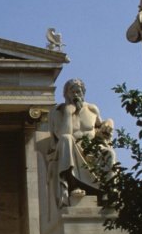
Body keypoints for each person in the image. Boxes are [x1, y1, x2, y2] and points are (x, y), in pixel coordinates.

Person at [47, 78, 117, 208]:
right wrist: (68, 113)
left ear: (83, 93)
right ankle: (74, 185)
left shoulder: (92, 109)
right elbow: (62, 134)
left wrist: (109, 122)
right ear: (65, 94)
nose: (75, 95)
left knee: (109, 153)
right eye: (72, 92)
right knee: (66, 139)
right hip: (69, 149)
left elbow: (100, 129)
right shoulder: (58, 112)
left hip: (92, 149)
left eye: (78, 92)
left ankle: (108, 192)